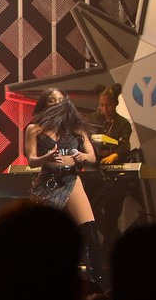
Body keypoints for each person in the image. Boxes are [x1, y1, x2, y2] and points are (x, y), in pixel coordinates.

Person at [24, 87, 102, 282]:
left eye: (60, 99)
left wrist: (83, 156)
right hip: (48, 181)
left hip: (71, 179)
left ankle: (95, 280)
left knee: (89, 229)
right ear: (44, 104)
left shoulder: (76, 128)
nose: (57, 103)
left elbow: (92, 156)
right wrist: (46, 157)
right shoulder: (35, 128)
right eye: (52, 100)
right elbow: (31, 160)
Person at [87, 84, 138, 257]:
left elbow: (125, 147)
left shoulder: (123, 124)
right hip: (92, 174)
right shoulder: (93, 119)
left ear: (115, 104)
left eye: (107, 105)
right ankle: (100, 244)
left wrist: (114, 156)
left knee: (112, 213)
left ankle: (108, 249)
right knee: (89, 210)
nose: (104, 109)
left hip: (114, 175)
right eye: (101, 105)